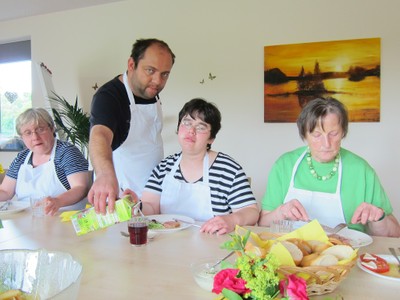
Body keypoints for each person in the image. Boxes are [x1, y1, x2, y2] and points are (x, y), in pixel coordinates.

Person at [258, 97, 400, 237]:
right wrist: (280, 212)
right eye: (316, 135)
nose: (326, 144)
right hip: (292, 254)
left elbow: (395, 235)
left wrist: (378, 218)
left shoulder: (361, 170)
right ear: (304, 135)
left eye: (333, 134)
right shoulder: (284, 165)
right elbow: (263, 224)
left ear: (343, 132)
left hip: (349, 255)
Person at [124, 98, 259, 235]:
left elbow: (251, 211)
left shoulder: (228, 169)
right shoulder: (164, 167)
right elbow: (151, 207)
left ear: (211, 138)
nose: (191, 131)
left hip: (213, 248)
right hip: (166, 247)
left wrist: (231, 220)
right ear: (178, 128)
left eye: (201, 127)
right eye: (187, 123)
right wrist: (136, 205)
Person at [88, 38, 175, 214]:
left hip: (152, 198)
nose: (157, 81)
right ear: (131, 64)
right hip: (123, 200)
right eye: (150, 70)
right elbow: (100, 136)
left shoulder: (151, 93)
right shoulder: (109, 97)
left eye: (165, 74)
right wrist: (105, 175)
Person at [0, 108, 90, 215]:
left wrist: (57, 201)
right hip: (27, 220)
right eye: (28, 133)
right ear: (22, 137)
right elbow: (6, 191)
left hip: (62, 219)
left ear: (52, 129)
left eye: (40, 129)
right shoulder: (22, 158)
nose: (35, 137)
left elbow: (80, 188)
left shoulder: (66, 152)